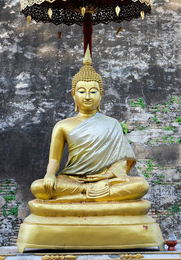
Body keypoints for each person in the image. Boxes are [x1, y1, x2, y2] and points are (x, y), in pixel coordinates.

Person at [31, 48, 149, 202]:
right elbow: (54, 160)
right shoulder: (62, 126)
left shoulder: (112, 124)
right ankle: (87, 191)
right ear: (74, 95)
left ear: (101, 94)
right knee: (38, 187)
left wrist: (108, 175)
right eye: (81, 91)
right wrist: (50, 175)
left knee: (141, 185)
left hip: (105, 180)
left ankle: (83, 194)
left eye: (93, 92)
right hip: (72, 180)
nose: (87, 97)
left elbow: (122, 161)